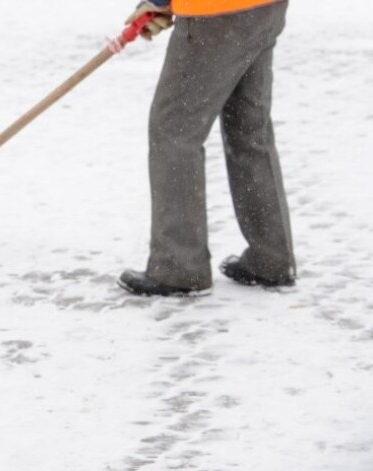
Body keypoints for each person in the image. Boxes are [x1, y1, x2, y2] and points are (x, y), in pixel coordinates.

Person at [118, 0, 297, 297]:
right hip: (265, 7)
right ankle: (271, 259)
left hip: (214, 14)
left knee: (174, 131)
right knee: (250, 130)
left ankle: (179, 267)